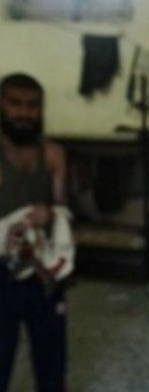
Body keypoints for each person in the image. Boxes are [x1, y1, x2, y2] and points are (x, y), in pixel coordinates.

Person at [0, 73, 69, 392]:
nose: (24, 113)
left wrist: (51, 214)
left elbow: (63, 214)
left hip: (43, 270)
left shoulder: (53, 155)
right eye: (15, 104)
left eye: (32, 106)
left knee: (51, 359)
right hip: (2, 271)